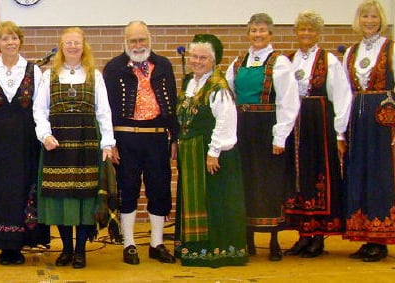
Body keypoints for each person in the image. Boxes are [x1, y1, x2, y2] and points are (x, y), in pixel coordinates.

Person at [34, 27, 115, 269]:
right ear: (61, 47)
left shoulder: (94, 75)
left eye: (76, 42)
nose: (72, 46)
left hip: (86, 141)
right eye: (68, 43)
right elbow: (39, 110)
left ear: (83, 46)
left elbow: (104, 112)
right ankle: (66, 249)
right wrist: (45, 135)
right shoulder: (48, 76)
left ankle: (80, 250)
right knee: (60, 198)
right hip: (57, 143)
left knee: (85, 198)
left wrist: (107, 143)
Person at [225, 13, 300, 261]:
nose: (257, 35)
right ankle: (248, 239)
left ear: (270, 34)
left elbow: (288, 101)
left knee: (269, 184)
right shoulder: (238, 62)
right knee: (245, 182)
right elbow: (227, 95)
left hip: (267, 129)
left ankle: (274, 240)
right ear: (248, 34)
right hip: (242, 130)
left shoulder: (279, 62)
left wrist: (280, 136)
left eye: (262, 30)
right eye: (254, 30)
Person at [102, 20, 178, 265]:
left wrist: (175, 137)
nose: (138, 45)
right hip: (126, 137)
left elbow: (173, 103)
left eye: (142, 39)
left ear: (149, 39)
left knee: (159, 188)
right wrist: (110, 142)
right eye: (133, 40)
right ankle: (129, 244)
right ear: (125, 42)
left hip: (157, 136)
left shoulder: (164, 65)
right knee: (128, 189)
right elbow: (106, 108)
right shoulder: (113, 68)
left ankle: (157, 243)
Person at [342, 0, 395, 262]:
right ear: (358, 20)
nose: (369, 21)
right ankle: (365, 235)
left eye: (374, 16)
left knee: (381, 178)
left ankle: (381, 238)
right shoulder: (351, 52)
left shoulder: (394, 49)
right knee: (359, 175)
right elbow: (346, 94)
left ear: (381, 19)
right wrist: (341, 132)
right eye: (365, 16)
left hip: (384, 124)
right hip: (358, 123)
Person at [0, 21, 50, 265]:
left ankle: (19, 243)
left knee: (23, 186)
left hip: (25, 139)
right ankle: (2, 244)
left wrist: (43, 136)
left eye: (14, 38)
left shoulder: (34, 71)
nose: (10, 42)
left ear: (20, 41)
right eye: (5, 39)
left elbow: (40, 109)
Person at [174, 34, 248, 267]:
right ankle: (193, 248)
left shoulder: (218, 86)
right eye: (194, 56)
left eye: (203, 58)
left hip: (211, 153)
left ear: (213, 61)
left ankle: (217, 250)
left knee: (214, 201)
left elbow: (225, 121)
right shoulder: (190, 82)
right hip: (191, 153)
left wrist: (214, 152)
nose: (197, 61)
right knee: (195, 200)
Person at [282, 10, 351, 259]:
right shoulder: (288, 60)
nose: (306, 33)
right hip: (294, 124)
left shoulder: (328, 60)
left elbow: (342, 97)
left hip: (318, 124)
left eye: (311, 29)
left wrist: (339, 132)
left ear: (318, 33)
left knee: (318, 174)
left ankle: (318, 236)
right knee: (297, 176)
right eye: (302, 29)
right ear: (296, 32)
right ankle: (303, 235)